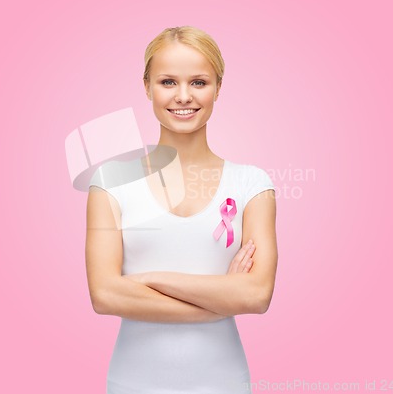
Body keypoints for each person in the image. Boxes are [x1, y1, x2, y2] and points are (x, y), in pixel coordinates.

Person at [85, 26, 278, 394]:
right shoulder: (110, 181)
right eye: (168, 82)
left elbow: (255, 295)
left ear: (218, 87)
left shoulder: (252, 184)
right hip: (132, 384)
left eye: (200, 82)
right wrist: (222, 297)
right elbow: (105, 295)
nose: (184, 96)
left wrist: (146, 280)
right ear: (147, 87)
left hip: (223, 384)